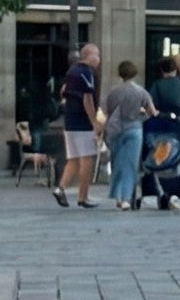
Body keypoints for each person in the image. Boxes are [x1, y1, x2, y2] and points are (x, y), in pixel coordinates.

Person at [54, 42, 102, 208]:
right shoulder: (86, 72)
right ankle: (83, 197)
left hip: (70, 120)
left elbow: (63, 91)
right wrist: (94, 122)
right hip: (82, 122)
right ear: (89, 56)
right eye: (97, 55)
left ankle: (61, 188)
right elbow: (87, 99)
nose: (99, 59)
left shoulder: (71, 71)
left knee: (73, 159)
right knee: (86, 160)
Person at [101, 59, 151, 209]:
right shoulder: (140, 91)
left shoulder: (113, 91)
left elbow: (105, 111)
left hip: (114, 130)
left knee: (117, 162)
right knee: (130, 164)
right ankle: (126, 198)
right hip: (134, 129)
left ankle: (116, 195)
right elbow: (151, 110)